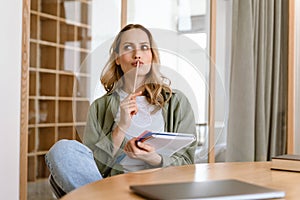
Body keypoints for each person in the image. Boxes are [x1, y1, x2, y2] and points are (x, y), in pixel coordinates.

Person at [45, 24, 197, 197]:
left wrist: (154, 159)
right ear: (117, 58)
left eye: (144, 47)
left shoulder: (177, 102)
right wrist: (121, 128)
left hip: (161, 187)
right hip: (115, 188)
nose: (137, 54)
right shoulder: (100, 107)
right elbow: (93, 168)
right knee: (63, 150)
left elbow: (188, 164)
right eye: (128, 47)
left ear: (152, 56)